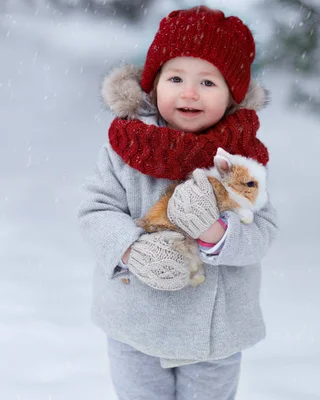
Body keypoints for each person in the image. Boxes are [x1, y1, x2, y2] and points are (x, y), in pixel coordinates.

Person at [77, 5, 278, 399]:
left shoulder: (243, 161)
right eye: (175, 78)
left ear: (233, 96)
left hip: (214, 336)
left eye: (208, 82)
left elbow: (264, 230)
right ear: (153, 86)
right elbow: (95, 211)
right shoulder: (125, 149)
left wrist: (216, 233)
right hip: (134, 322)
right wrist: (131, 249)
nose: (189, 92)